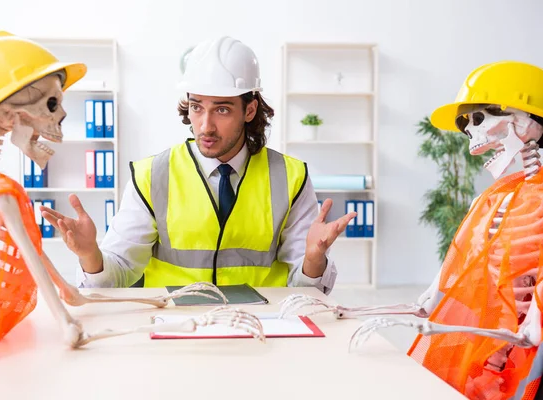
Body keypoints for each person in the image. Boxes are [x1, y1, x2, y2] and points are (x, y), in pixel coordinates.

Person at [41, 36, 355, 294]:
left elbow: (306, 290)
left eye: (221, 110)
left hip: (261, 330)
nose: (205, 126)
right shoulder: (153, 176)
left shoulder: (290, 177)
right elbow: (115, 276)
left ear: (249, 110)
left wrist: (314, 260)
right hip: (174, 331)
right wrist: (90, 256)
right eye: (196, 107)